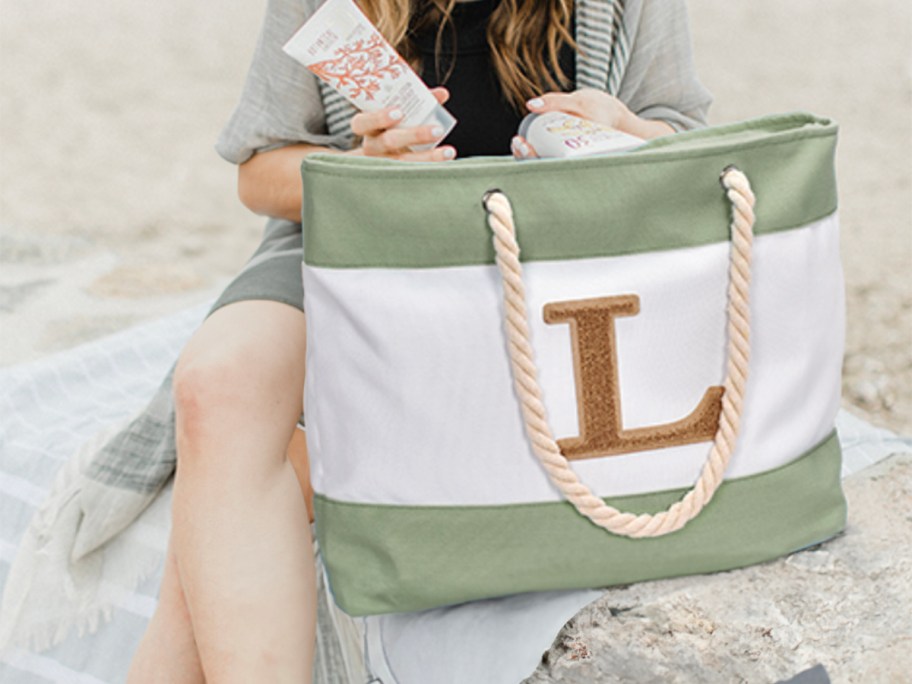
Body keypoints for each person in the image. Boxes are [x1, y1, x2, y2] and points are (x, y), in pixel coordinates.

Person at [117, 0, 710, 681]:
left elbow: (688, 140)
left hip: (550, 270)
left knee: (228, 511)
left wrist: (621, 131)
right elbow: (260, 170)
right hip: (356, 246)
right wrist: (362, 169)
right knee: (216, 385)